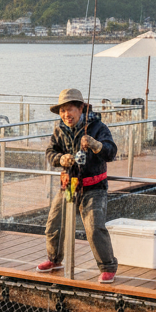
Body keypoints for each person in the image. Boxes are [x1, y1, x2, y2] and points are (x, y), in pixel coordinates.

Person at [36, 88, 118, 282]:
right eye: (62, 111)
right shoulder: (59, 130)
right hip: (70, 185)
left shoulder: (98, 127)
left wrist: (97, 145)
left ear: (81, 108)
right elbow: (50, 152)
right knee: (54, 223)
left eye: (70, 109)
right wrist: (60, 158)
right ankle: (54, 259)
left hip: (94, 186)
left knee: (94, 227)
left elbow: (111, 152)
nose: (66, 114)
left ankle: (108, 266)